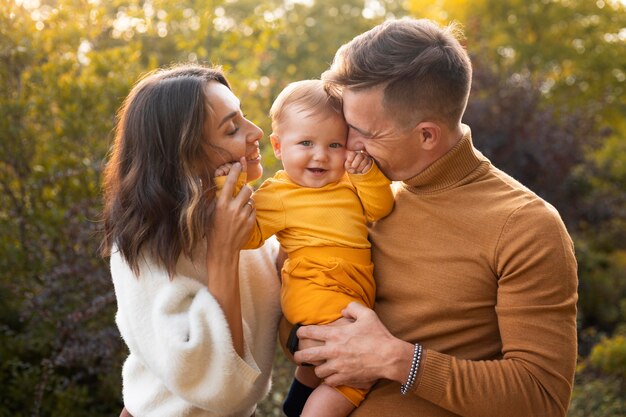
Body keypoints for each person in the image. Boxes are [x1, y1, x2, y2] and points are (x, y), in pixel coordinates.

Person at [291, 17, 579, 417]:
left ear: (427, 135)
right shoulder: (360, 194)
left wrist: (397, 360)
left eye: (364, 132)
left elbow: (540, 399)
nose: (347, 144)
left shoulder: (524, 225)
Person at [101, 63, 282, 417]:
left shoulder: (254, 228)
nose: (256, 132)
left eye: (243, 117)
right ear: (185, 156)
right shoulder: (143, 251)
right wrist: (223, 253)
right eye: (232, 129)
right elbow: (223, 388)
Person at [214, 79, 394, 416]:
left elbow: (380, 208)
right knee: (355, 376)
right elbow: (247, 235)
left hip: (348, 293)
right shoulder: (279, 194)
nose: (320, 155)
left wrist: (368, 174)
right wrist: (230, 183)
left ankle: (295, 404)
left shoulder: (349, 182)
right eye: (306, 142)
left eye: (335, 145)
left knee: (322, 365)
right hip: (318, 291)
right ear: (279, 147)